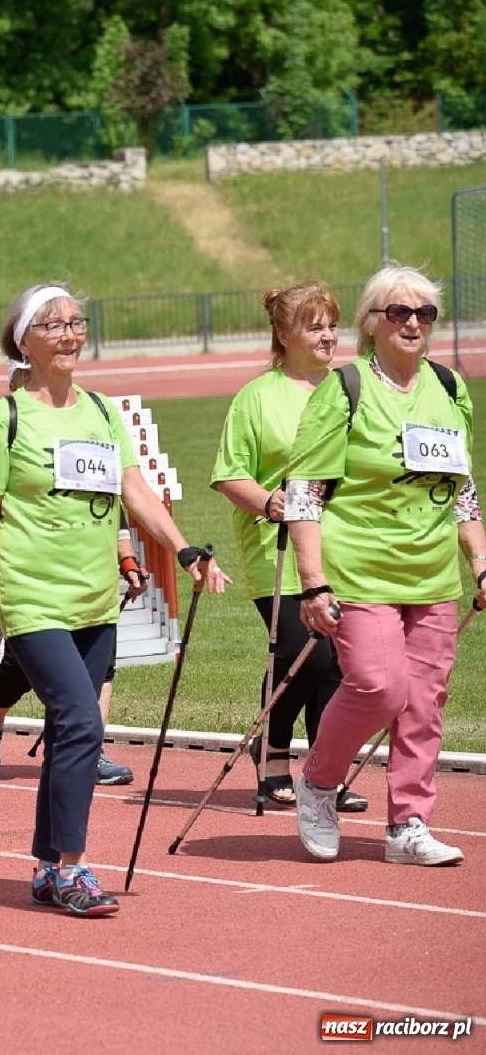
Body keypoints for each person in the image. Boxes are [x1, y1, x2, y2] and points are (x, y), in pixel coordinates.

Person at [0, 284, 229, 918]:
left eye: (76, 323)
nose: (68, 334)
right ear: (22, 341)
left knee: (69, 731)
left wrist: (182, 549)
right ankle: (75, 868)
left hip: (95, 599)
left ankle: (45, 868)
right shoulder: (6, 418)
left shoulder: (105, 412)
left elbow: (134, 491)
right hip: (32, 598)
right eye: (52, 325)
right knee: (84, 722)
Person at [285, 265, 483, 866]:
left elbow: (464, 488)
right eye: (399, 312)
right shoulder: (343, 389)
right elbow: (304, 491)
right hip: (359, 570)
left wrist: (480, 561)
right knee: (378, 685)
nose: (414, 323)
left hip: (432, 575)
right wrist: (313, 581)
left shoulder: (449, 389)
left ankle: (408, 825)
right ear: (372, 325)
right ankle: (319, 785)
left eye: (425, 313)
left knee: (424, 701)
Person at [211, 282, 365, 812]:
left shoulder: (349, 387)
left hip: (346, 546)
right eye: (313, 325)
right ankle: (273, 756)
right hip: (275, 549)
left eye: (330, 324)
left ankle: (324, 773)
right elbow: (230, 476)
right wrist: (272, 502)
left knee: (341, 662)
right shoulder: (257, 397)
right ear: (283, 334)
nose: (326, 335)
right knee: (307, 652)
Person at [0, 357, 143, 787]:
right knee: (23, 670)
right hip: (34, 583)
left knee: (100, 669)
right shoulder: (10, 430)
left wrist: (127, 557)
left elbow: (109, 504)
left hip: (92, 580)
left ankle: (90, 746)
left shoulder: (90, 423)